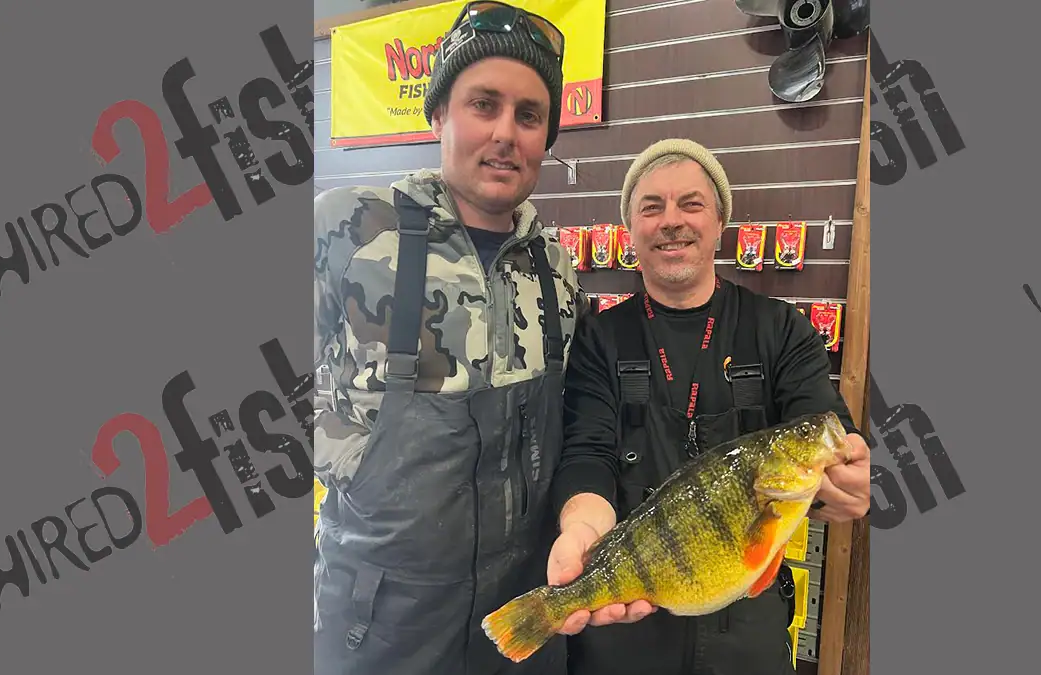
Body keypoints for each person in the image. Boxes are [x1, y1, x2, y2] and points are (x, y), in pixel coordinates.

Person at [311, 3, 584, 674]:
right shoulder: (349, 230)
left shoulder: (556, 267)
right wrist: (351, 460)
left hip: (523, 620)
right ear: (438, 114)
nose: (505, 134)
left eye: (528, 115)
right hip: (381, 620)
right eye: (482, 104)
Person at [547, 139, 872, 675]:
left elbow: (827, 427)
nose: (672, 221)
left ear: (720, 220)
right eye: (652, 207)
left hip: (749, 630)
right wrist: (581, 532)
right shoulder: (599, 338)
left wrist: (849, 479)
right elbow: (587, 452)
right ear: (631, 230)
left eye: (691, 204)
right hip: (623, 628)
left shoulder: (780, 329)